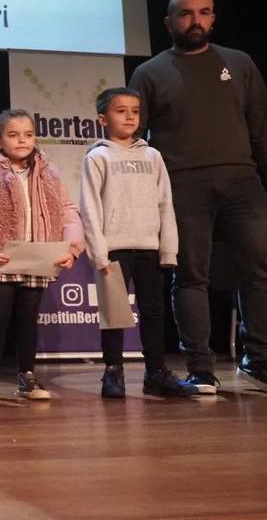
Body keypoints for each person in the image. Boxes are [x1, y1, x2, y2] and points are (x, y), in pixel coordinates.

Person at [129, 0, 267, 395]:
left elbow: (263, 125)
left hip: (242, 181)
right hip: (182, 184)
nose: (196, 21)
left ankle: (259, 360)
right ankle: (201, 368)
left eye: (204, 13)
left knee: (262, 268)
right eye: (186, 14)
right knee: (190, 276)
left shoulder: (238, 64)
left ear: (213, 18)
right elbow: (134, 137)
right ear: (169, 22)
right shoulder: (149, 73)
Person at [80, 88, 195, 398]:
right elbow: (89, 207)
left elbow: (164, 203)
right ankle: (113, 372)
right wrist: (99, 252)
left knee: (154, 312)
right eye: (121, 111)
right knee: (115, 313)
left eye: (134, 110)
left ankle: (156, 372)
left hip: (149, 247)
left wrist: (168, 248)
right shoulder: (98, 156)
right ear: (103, 119)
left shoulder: (152, 156)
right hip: (114, 248)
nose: (130, 116)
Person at [0, 109, 83, 401]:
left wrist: (72, 248)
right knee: (0, 314)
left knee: (29, 316)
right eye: (13, 135)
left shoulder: (49, 173)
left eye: (28, 135)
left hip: (39, 259)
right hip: (3, 258)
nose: (22, 141)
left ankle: (27, 375)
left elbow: (68, 212)